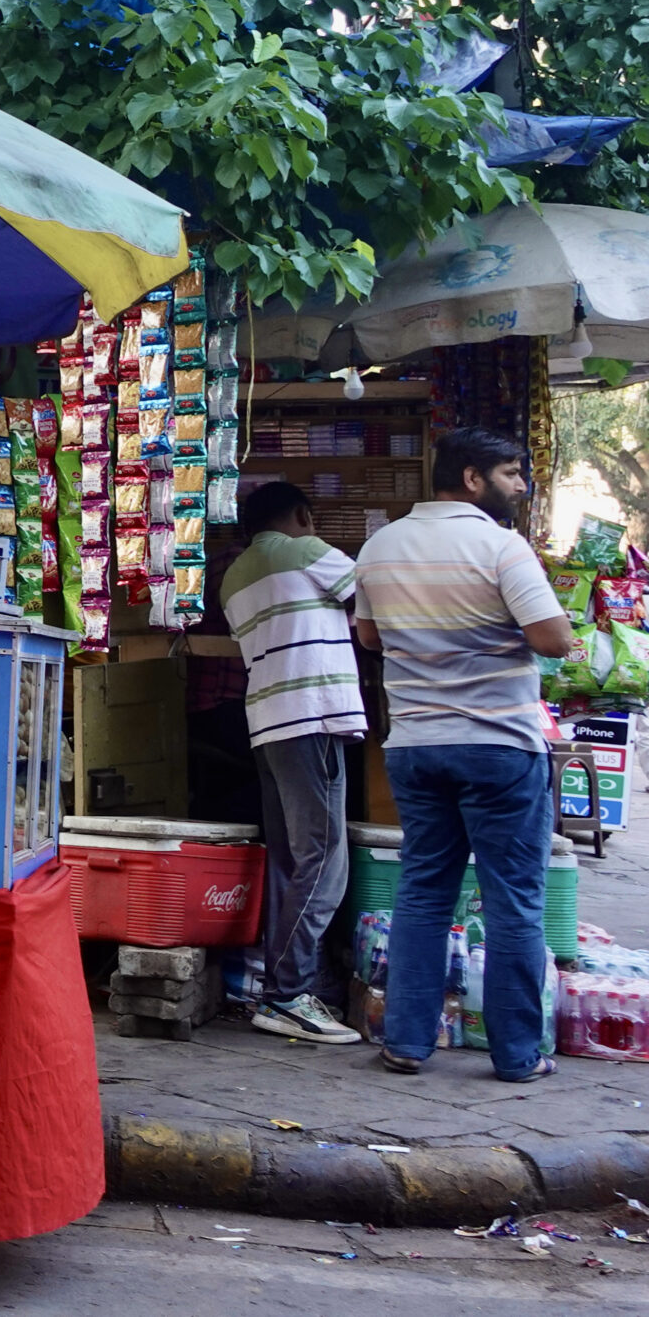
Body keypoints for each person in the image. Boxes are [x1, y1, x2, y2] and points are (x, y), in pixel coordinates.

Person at [353, 428, 577, 1083]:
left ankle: (406, 1042)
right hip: (499, 746)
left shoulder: (380, 545)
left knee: (424, 892)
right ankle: (517, 1055)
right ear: (472, 479)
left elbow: (368, 635)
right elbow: (555, 639)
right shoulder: (501, 547)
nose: (522, 486)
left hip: (418, 746)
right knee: (513, 899)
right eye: (511, 473)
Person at [219, 481, 365, 1046]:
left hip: (270, 722)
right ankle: (287, 994)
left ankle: (285, 987)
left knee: (290, 859)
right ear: (303, 515)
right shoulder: (304, 550)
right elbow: (371, 598)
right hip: (312, 715)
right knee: (324, 858)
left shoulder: (233, 575)